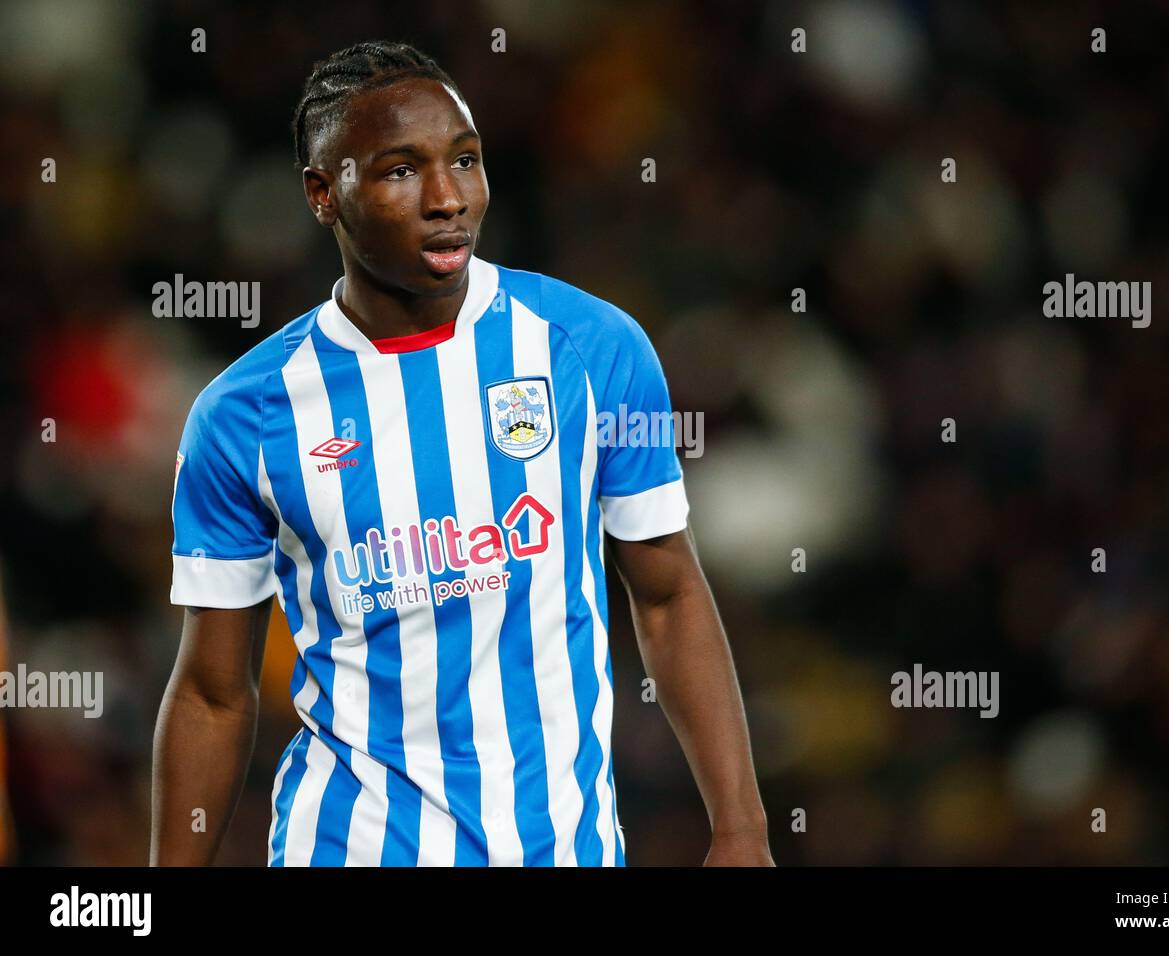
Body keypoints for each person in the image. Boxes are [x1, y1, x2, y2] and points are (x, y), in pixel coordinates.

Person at [151, 40, 772, 866]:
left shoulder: (593, 348)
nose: (447, 198)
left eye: (465, 160)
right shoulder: (242, 414)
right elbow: (212, 693)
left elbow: (666, 593)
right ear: (321, 194)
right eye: (400, 171)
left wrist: (741, 828)